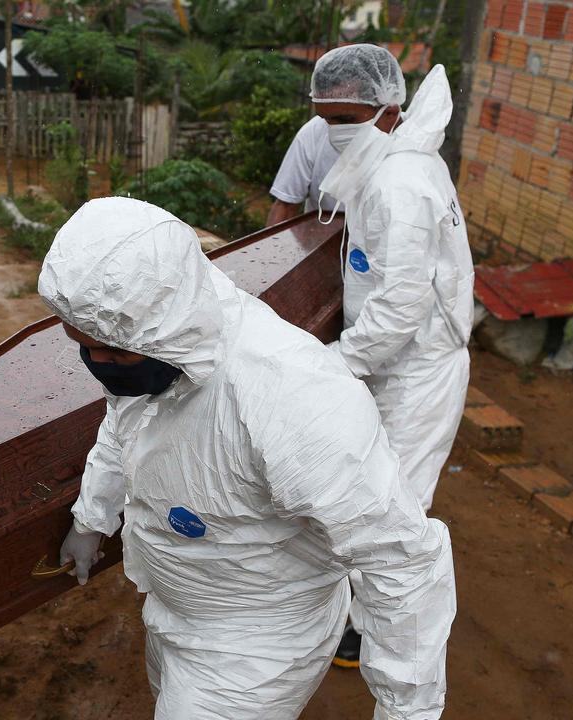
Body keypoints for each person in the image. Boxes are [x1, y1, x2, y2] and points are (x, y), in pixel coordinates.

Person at [45, 196, 456, 719]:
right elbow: (125, 425)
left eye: (115, 354)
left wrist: (407, 712)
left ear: (164, 327)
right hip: (174, 608)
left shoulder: (291, 398)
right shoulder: (148, 337)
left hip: (258, 644)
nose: (99, 364)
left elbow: (400, 560)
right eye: (84, 346)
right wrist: (92, 516)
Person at [310, 44, 474, 667]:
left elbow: (401, 306)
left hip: (419, 367)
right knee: (369, 486)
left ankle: (378, 634)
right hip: (394, 360)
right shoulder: (387, 160)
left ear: (385, 111)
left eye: (344, 118)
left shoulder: (401, 183)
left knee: (397, 505)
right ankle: (358, 610)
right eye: (325, 117)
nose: (334, 132)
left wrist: (338, 363)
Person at [266, 114, 340, 226]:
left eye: (348, 119)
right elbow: (285, 207)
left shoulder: (375, 140)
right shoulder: (313, 133)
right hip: (321, 238)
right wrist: (270, 243)